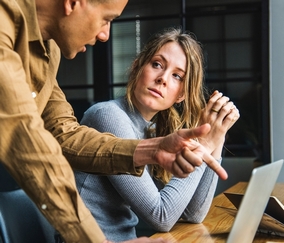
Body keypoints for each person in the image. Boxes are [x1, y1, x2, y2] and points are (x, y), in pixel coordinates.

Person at [0, 1, 228, 243]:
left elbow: (65, 134)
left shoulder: (49, 51)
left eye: (176, 76)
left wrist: (152, 149)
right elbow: (28, 144)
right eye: (106, 19)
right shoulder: (4, 26)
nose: (104, 35)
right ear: (73, 2)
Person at [76, 27, 240, 242]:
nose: (163, 78)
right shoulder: (108, 116)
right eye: (157, 64)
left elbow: (193, 214)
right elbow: (161, 216)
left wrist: (216, 136)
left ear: (181, 95)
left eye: (176, 76)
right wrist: (204, 143)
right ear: (137, 67)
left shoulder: (151, 129)